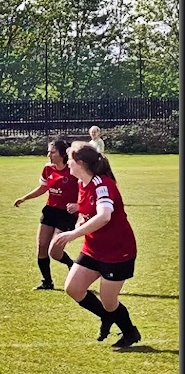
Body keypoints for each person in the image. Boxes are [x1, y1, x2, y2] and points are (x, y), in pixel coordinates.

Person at [50, 142, 141, 348]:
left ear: (80, 163)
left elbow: (104, 216)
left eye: (70, 160)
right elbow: (85, 213)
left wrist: (73, 234)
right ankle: (107, 317)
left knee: (110, 301)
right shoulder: (82, 183)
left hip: (118, 251)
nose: (67, 163)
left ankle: (129, 332)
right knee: (73, 288)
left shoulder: (102, 184)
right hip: (93, 248)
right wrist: (77, 225)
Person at [13, 139, 78, 290]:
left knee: (54, 251)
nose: (48, 154)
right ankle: (47, 282)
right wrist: (24, 198)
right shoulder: (48, 169)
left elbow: (87, 190)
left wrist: (78, 205)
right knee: (42, 246)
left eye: (52, 151)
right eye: (49, 151)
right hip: (50, 211)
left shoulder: (73, 170)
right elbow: (43, 188)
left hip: (67, 214)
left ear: (62, 154)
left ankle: (71, 264)